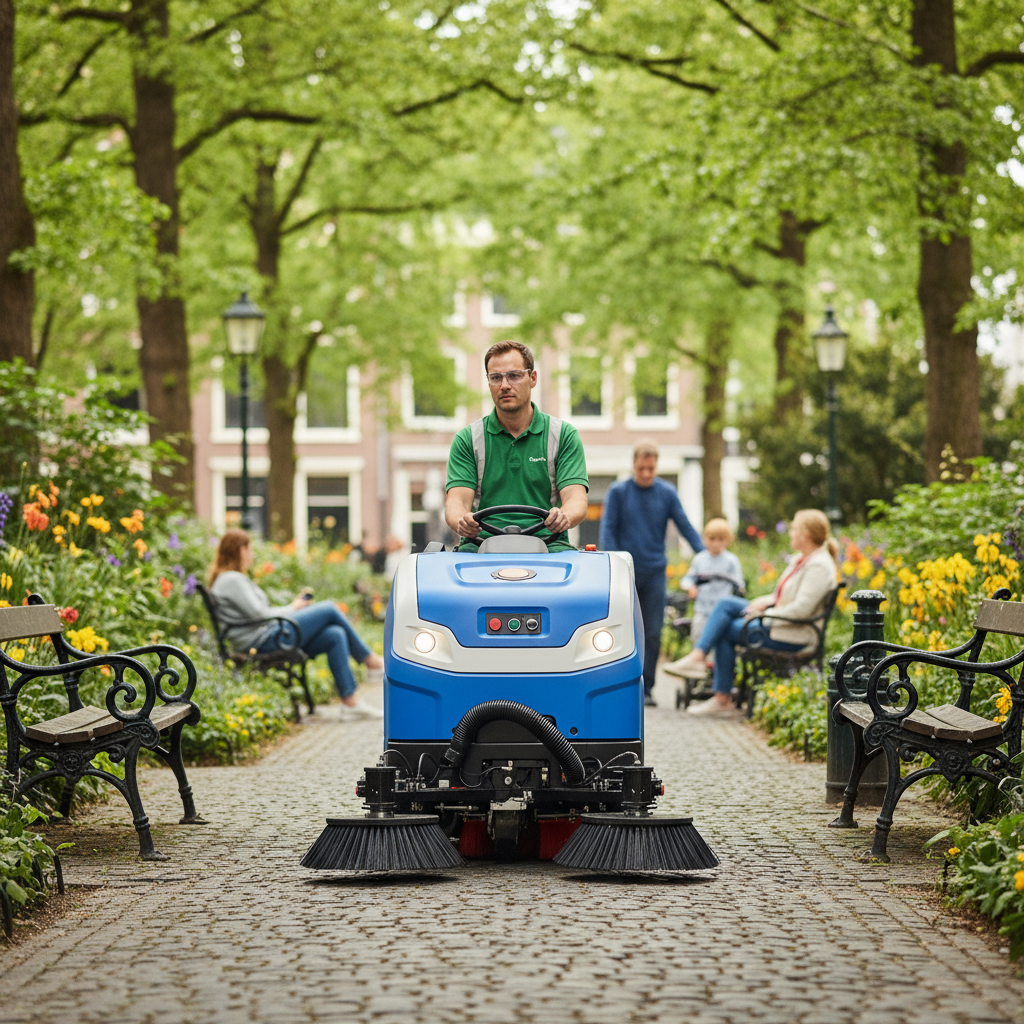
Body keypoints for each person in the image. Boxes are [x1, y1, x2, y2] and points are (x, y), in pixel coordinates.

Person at [675, 509, 840, 716]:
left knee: (724, 629)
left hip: (791, 633)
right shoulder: (803, 559)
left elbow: (801, 610)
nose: (790, 532)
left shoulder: (819, 566)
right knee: (726, 603)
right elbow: (779, 597)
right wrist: (759, 604)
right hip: (779, 623)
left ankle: (720, 695)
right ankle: (698, 659)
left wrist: (765, 616)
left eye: (793, 528)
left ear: (805, 535)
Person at [208, 529, 384, 719]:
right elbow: (259, 614)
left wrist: (293, 607)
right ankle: (370, 661)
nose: (252, 555)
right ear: (241, 550)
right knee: (330, 609)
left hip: (269, 634)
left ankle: (350, 703)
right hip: (263, 641)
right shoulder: (231, 580)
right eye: (250, 550)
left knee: (334, 635)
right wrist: (293, 607)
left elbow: (257, 613)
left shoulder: (231, 579)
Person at [445, 340, 589, 550]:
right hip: (480, 547)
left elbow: (577, 500)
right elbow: (456, 503)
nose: (504, 385)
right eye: (496, 378)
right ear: (488, 383)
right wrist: (462, 521)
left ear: (532, 378)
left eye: (514, 375)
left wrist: (564, 516)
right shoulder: (468, 439)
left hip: (549, 546)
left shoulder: (563, 435)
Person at [599, 440, 705, 706]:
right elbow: (608, 530)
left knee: (654, 632)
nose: (646, 473)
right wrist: (611, 564)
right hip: (625, 574)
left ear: (656, 466)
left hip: (655, 571)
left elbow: (685, 526)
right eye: (642, 468)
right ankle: (622, 687)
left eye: (651, 468)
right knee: (624, 631)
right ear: (634, 465)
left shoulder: (666, 493)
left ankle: (647, 688)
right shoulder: (618, 492)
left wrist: (705, 556)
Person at [681, 518, 745, 661]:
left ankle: (713, 667)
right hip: (703, 610)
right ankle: (698, 664)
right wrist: (690, 587)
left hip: (721, 613)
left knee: (719, 639)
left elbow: (739, 584)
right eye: (712, 538)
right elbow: (688, 578)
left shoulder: (731, 561)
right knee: (698, 633)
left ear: (727, 540)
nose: (716, 543)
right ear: (705, 539)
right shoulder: (699, 560)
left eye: (721, 539)